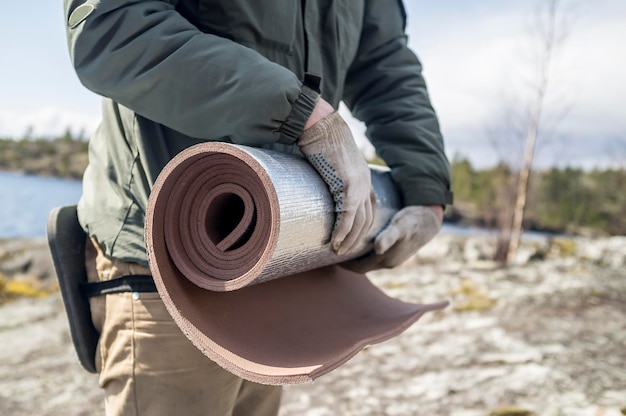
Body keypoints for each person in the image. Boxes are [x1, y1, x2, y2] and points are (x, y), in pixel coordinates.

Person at [63, 0, 453, 415]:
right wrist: (298, 114)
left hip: (277, 264)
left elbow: (383, 66)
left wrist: (427, 190)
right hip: (161, 262)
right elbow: (109, 28)